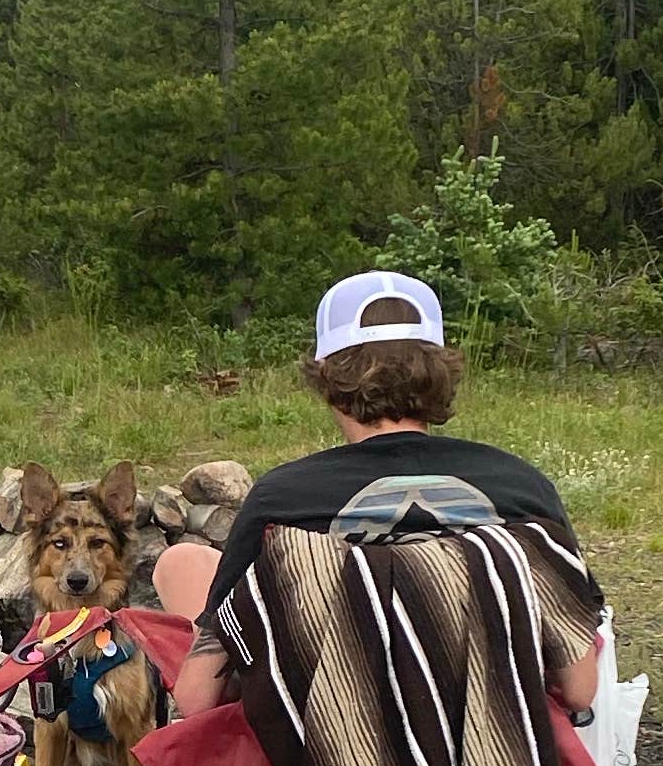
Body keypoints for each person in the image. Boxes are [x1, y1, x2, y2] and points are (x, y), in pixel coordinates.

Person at [168, 268, 603, 721]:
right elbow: (579, 689)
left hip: (327, 747)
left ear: (327, 379)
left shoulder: (283, 499)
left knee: (181, 566)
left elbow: (197, 698)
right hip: (487, 736)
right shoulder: (521, 487)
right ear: (439, 372)